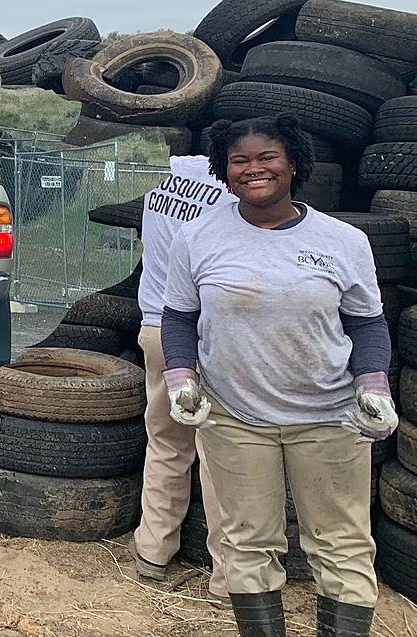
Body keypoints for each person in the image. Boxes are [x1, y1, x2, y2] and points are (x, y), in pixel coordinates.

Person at [161, 113, 395, 635]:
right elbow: (179, 315)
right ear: (223, 171)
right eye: (239, 161)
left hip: (331, 418)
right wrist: (181, 377)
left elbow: (367, 322)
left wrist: (372, 383)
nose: (253, 170)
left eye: (267, 158)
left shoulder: (342, 240)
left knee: (341, 542)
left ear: (293, 164)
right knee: (247, 540)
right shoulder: (198, 238)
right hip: (237, 417)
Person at [132, 154, 237, 607]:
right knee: (221, 456)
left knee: (166, 442)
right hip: (206, 333)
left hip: (156, 328)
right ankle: (228, 578)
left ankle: (153, 551)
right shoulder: (228, 201)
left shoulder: (158, 195)